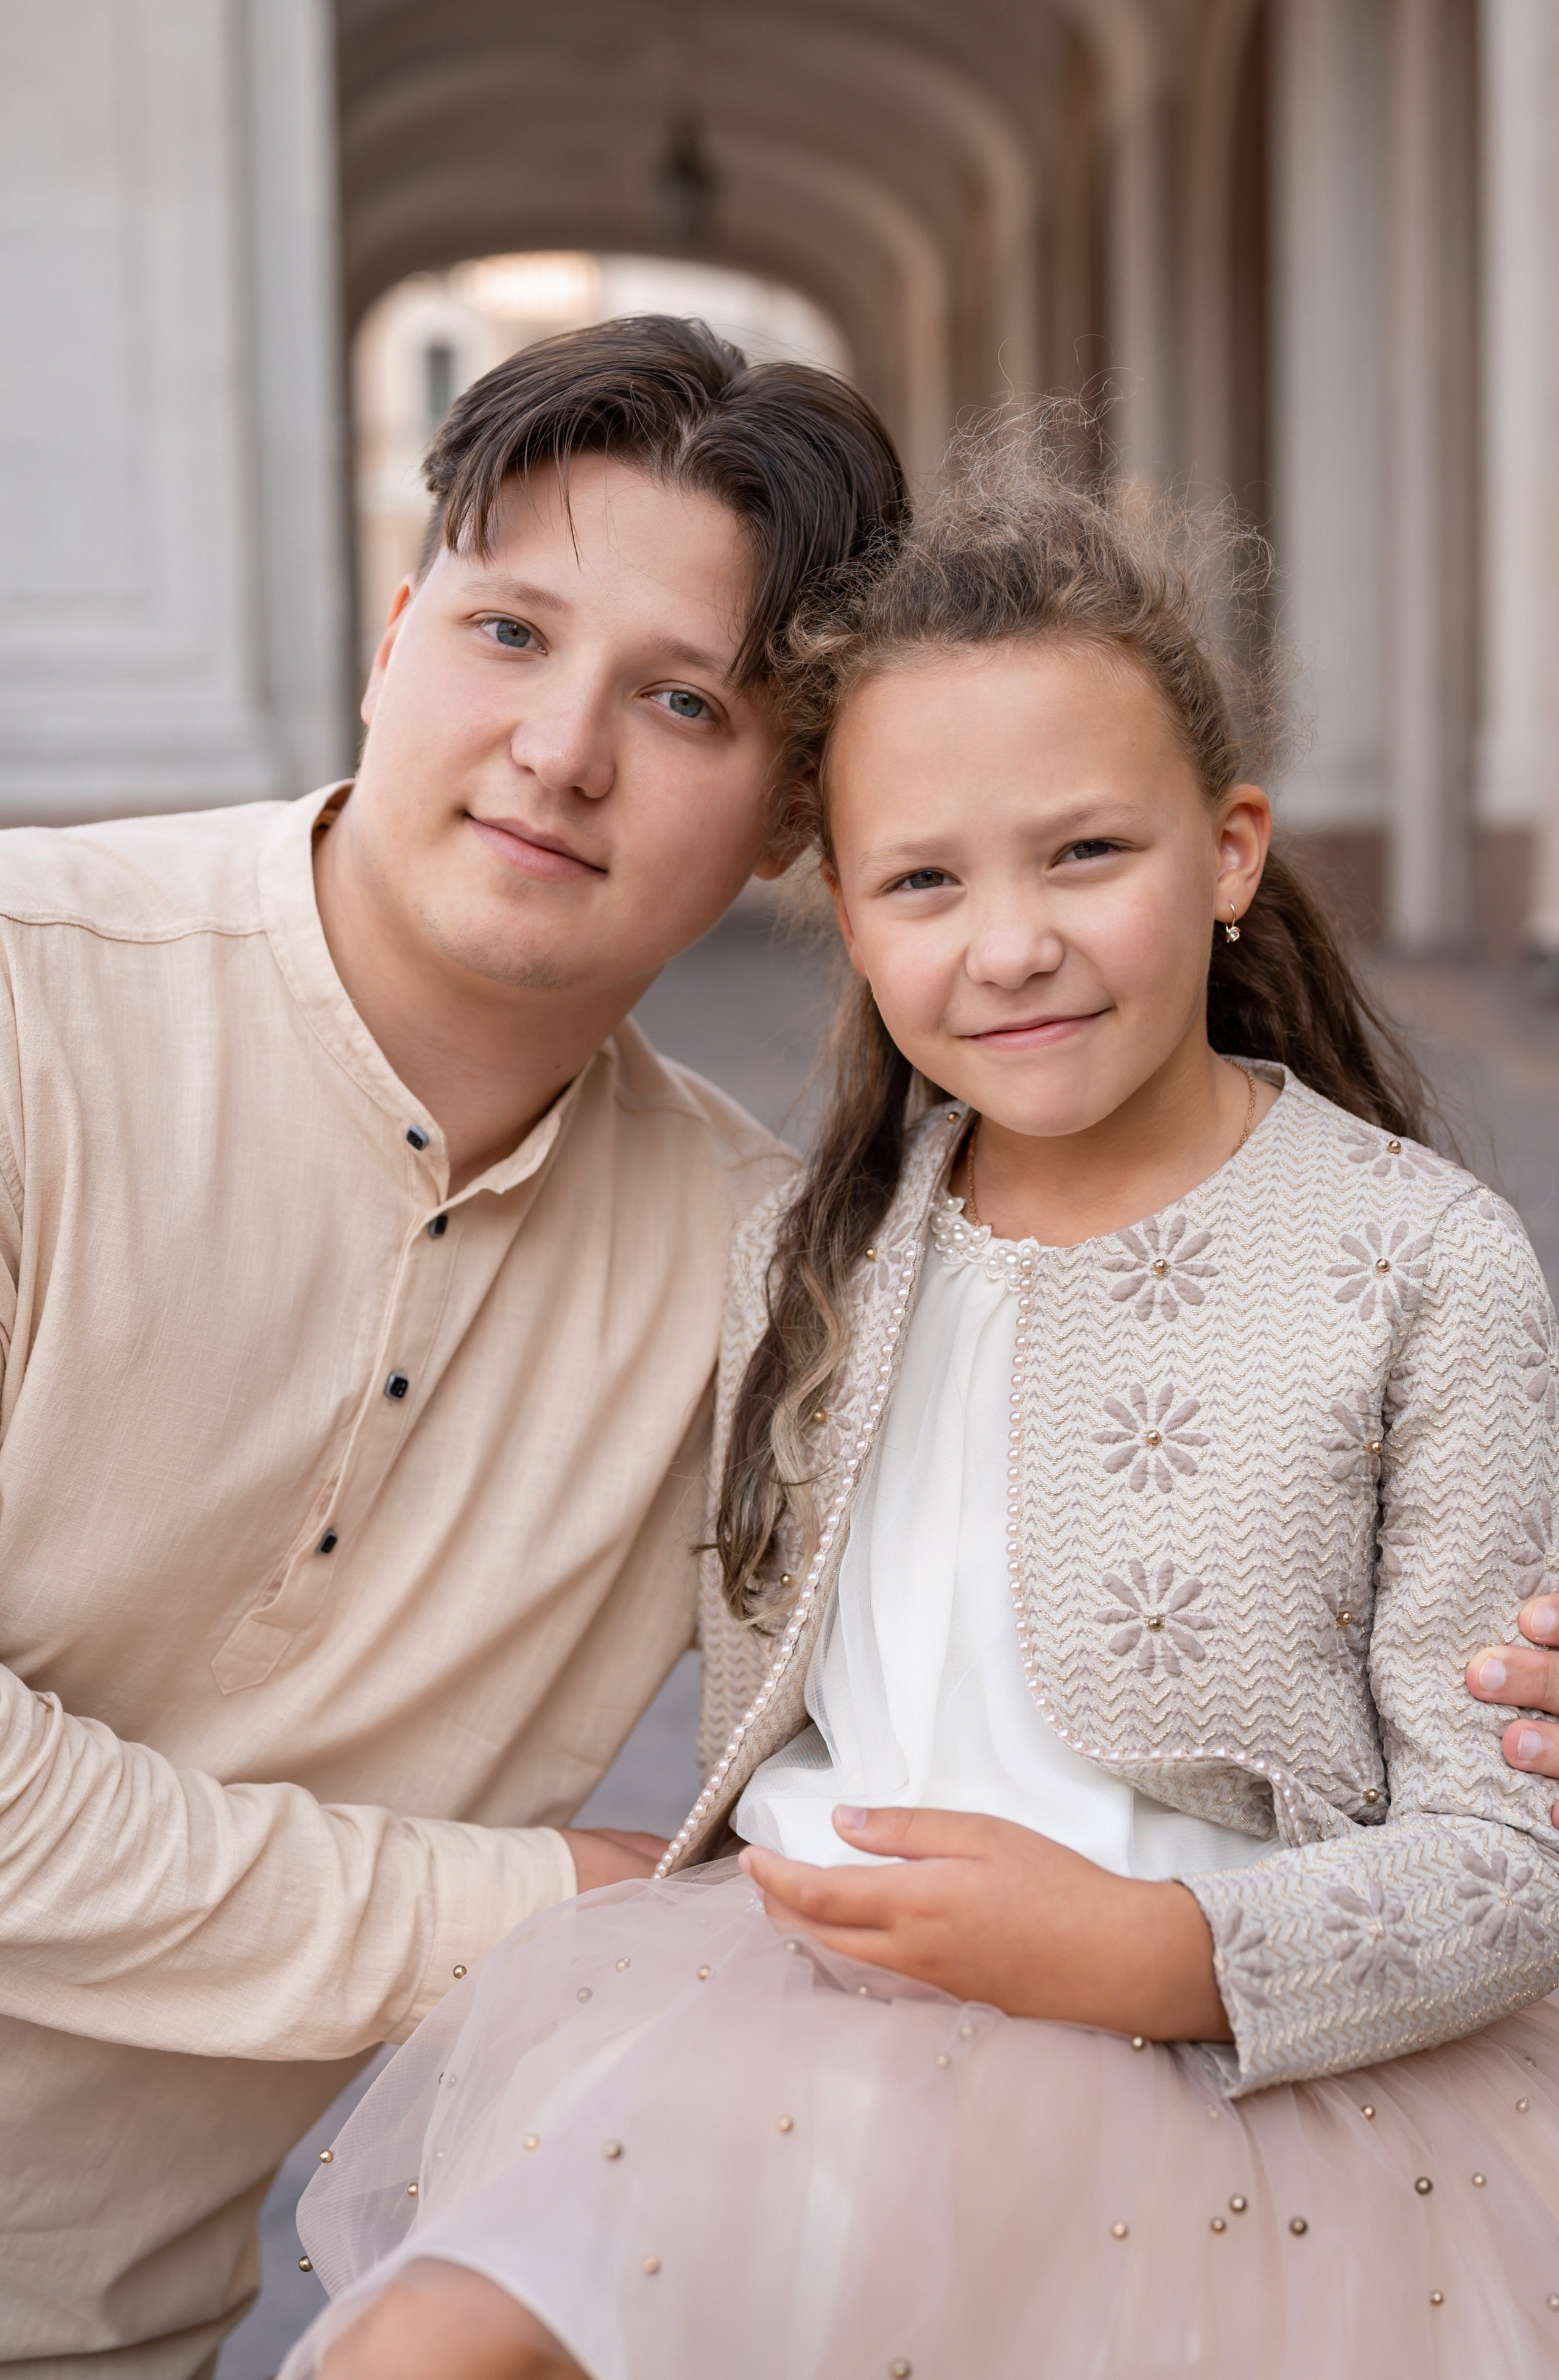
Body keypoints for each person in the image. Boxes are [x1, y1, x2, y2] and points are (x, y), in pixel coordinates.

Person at [288, 434, 1559, 2380]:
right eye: (924, 881)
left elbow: (1512, 1850)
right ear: (846, 917)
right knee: (421, 2349)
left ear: (1228, 852)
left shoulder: (1420, 1262)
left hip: (1238, 2087)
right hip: (795, 2027)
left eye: (1087, 853)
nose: (1012, 941)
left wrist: (1148, 1955)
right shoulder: (809, 1244)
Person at [0, 316, 909, 2378]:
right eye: (509, 634)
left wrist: (1449, 1692)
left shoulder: (775, 1285)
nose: (561, 750)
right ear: (393, 638)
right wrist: (544, 1906)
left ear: (785, 822)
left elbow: (997, 1735)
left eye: (680, 699)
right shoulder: (28, 1006)